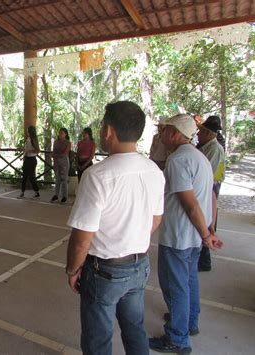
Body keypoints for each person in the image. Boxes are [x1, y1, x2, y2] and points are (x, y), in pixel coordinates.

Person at [66, 101, 165, 355]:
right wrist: (131, 236)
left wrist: (73, 269)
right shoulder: (154, 170)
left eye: (102, 127)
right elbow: (155, 220)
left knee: (98, 338)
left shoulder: (97, 176)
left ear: (109, 130)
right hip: (139, 266)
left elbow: (81, 238)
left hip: (104, 271)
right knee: (134, 329)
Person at [149, 114, 223, 354]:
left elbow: (190, 204)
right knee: (189, 280)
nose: (161, 133)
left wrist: (206, 234)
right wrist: (207, 230)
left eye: (165, 129)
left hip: (179, 236)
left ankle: (177, 338)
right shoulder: (199, 157)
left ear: (175, 133)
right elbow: (209, 197)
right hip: (192, 237)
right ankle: (189, 322)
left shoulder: (178, 160)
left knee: (175, 286)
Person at [196, 115, 226, 272]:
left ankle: (204, 260)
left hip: (210, 187)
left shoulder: (214, 149)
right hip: (207, 186)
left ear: (208, 133)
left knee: (206, 220)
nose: (198, 135)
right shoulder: (206, 147)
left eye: (200, 132)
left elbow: (206, 172)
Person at [18, 125, 40, 199]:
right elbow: (26, 149)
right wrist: (23, 155)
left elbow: (38, 150)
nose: (26, 131)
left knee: (31, 177)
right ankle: (22, 192)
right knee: (24, 176)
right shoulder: (28, 138)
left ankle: (37, 192)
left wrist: (29, 151)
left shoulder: (33, 139)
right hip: (27, 159)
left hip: (32, 159)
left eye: (28, 130)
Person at [51, 128, 72, 203]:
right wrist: (54, 162)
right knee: (57, 179)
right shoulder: (56, 142)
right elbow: (53, 153)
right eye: (59, 133)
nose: (60, 134)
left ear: (65, 134)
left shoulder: (68, 143)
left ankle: (64, 196)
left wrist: (55, 155)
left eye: (62, 133)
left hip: (64, 162)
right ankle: (56, 195)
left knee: (64, 179)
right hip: (57, 161)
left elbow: (65, 153)